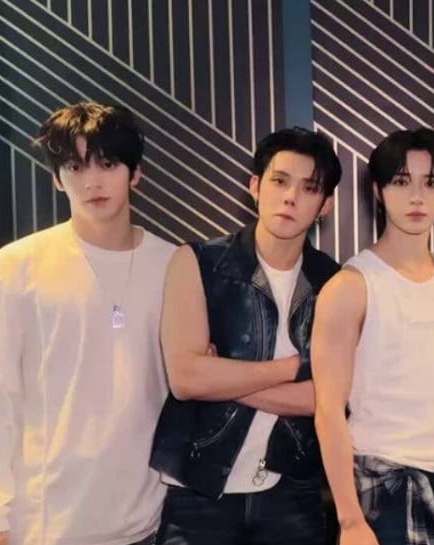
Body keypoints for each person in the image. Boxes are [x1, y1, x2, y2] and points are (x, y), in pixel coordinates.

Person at [0, 102, 176, 545]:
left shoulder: (172, 265)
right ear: (57, 178)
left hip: (147, 523)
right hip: (43, 526)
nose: (92, 181)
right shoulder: (17, 266)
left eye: (108, 164)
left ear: (135, 173)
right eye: (75, 167)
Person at [311, 128, 434, 545]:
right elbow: (328, 410)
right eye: (402, 182)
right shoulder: (351, 287)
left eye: (430, 183)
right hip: (387, 482)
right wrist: (350, 520)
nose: (417, 197)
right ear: (378, 190)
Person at [149, 127, 343, 545]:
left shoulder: (335, 283)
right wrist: (292, 368)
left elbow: (328, 399)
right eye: (280, 181)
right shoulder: (198, 261)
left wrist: (222, 376)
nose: (290, 197)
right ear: (255, 186)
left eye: (309, 188)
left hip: (292, 491)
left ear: (325, 205)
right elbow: (186, 379)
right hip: (200, 490)